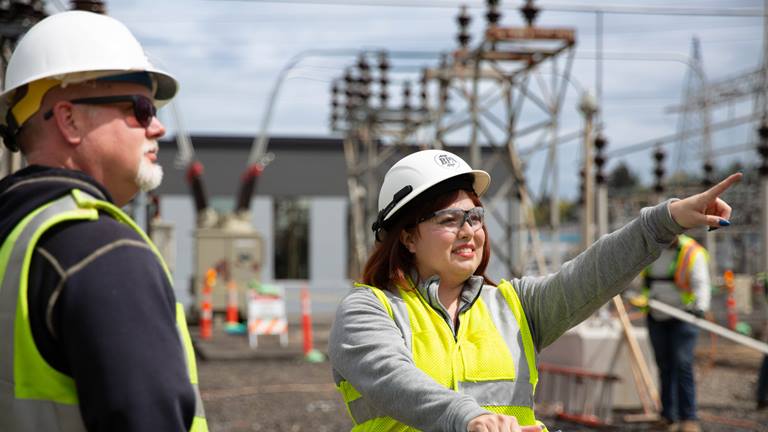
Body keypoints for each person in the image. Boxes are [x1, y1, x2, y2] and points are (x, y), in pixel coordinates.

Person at [328, 149, 740, 432]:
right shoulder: (368, 310)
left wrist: (664, 221)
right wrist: (469, 418)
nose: (469, 231)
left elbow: (593, 272)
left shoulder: (515, 306)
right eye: (449, 219)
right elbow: (393, 378)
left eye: (474, 216)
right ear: (408, 237)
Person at [0, 11, 207, 432]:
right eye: (141, 108)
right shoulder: (100, 250)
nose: (159, 127)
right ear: (69, 120)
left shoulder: (15, 235)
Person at [640, 234, 711, 432]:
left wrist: (700, 307)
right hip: (656, 315)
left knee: (682, 363)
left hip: (684, 316)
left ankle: (689, 418)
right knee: (664, 364)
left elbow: (701, 284)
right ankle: (668, 416)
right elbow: (644, 279)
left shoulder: (690, 252)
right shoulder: (652, 250)